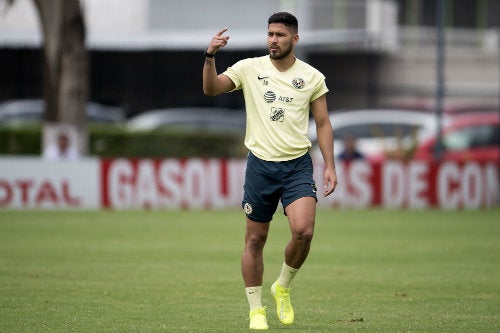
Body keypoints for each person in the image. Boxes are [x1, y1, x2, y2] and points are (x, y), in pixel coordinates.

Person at [203, 12, 337, 330]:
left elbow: (322, 123)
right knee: (255, 240)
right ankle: (256, 309)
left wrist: (330, 165)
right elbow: (212, 89)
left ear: (295, 39)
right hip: (261, 166)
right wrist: (209, 56)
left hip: (297, 166)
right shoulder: (250, 68)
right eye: (270, 34)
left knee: (303, 232)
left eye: (280, 35)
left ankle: (282, 287)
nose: (273, 40)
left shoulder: (312, 77)